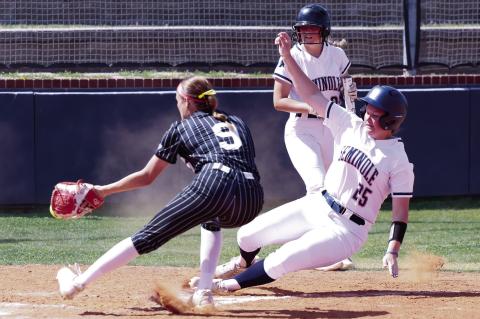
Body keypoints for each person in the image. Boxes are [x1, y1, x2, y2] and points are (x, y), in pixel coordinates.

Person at [191, 32, 414, 293]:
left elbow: (400, 213)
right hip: (319, 204)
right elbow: (312, 95)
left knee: (281, 259)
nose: (368, 117)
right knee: (247, 235)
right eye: (368, 111)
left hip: (346, 231)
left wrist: (392, 250)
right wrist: (287, 57)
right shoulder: (350, 125)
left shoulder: (399, 161)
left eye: (376, 115)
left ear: (391, 121)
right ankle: (241, 263)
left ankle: (221, 286)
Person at [55, 76, 264, 308]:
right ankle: (204, 292)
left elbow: (147, 176)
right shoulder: (237, 121)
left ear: (187, 101)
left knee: (147, 237)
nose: (177, 105)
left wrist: (102, 191)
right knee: (211, 217)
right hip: (252, 199)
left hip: (216, 183)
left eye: (177, 100)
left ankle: (76, 284)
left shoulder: (181, 127)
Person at [212, 3, 355, 278]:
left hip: (332, 129)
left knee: (335, 191)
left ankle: (326, 250)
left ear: (324, 31)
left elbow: (346, 90)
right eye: (303, 29)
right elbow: (279, 101)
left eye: (313, 29)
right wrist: (313, 107)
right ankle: (312, 252)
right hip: (303, 129)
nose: (308, 34)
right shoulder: (292, 56)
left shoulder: (337, 54)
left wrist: (349, 105)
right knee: (317, 187)